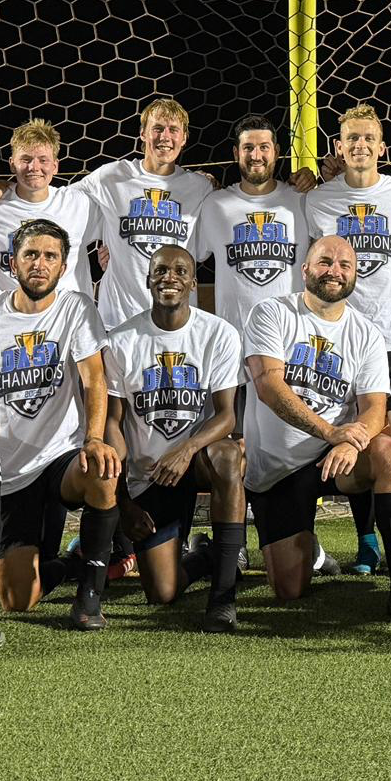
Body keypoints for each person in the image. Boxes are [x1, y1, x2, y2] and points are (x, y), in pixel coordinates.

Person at [243, 236, 391, 621]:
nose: (335, 271)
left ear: (355, 275)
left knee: (389, 451)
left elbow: (375, 407)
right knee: (288, 590)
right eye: (325, 261)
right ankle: (310, 552)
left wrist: (352, 440)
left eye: (345, 265)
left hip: (336, 458)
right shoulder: (272, 313)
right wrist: (331, 433)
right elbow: (268, 386)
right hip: (279, 469)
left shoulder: (366, 332)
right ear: (306, 270)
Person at [0, 219, 125, 633]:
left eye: (50, 256)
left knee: (101, 469)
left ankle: (90, 596)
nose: (40, 263)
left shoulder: (75, 307)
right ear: (12, 262)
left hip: (59, 457)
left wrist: (94, 438)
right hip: (7, 466)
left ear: (63, 268)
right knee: (17, 600)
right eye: (31, 254)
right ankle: (72, 562)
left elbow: (94, 379)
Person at [304, 103, 391, 572]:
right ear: (338, 147)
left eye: (368, 138)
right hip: (340, 339)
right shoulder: (317, 201)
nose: (360, 145)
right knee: (352, 434)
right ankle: (365, 541)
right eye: (351, 138)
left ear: (382, 147)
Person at [107, 246, 246, 631]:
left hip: (197, 461)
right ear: (148, 280)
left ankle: (223, 597)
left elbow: (226, 416)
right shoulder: (121, 340)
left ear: (193, 283)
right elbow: (112, 424)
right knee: (162, 592)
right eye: (161, 270)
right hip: (150, 473)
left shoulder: (218, 333)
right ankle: (208, 556)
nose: (170, 277)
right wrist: (123, 503)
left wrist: (186, 449)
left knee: (228, 456)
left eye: (181, 271)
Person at [72, 98, 215, 331]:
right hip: (119, 322)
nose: (165, 137)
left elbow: (203, 250)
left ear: (184, 138)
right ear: (143, 134)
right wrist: (11, 190)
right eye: (157, 128)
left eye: (173, 130)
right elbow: (56, 203)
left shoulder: (200, 187)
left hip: (177, 323)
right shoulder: (111, 177)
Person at [192, 113, 310, 353]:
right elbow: (186, 250)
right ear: (236, 153)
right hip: (234, 343)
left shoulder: (302, 201)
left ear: (276, 152)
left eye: (264, 147)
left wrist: (317, 180)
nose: (256, 156)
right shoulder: (215, 204)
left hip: (290, 340)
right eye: (248, 148)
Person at [0, 119, 103, 301]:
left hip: (67, 315)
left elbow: (118, 226)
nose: (34, 167)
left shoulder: (79, 204)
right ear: (12, 164)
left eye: (43, 160)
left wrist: (112, 256)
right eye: (25, 159)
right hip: (5, 315)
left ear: (55, 166)